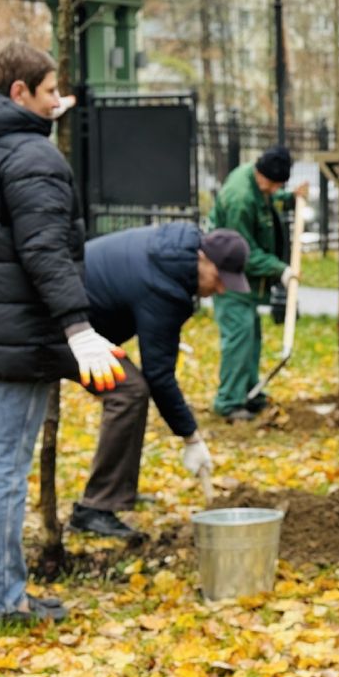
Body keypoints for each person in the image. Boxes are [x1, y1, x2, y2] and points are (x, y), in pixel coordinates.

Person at [0, 40, 127, 627]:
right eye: (50, 92)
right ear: (20, 92)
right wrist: (79, 327)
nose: (59, 102)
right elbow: (45, 251)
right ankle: (3, 601)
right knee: (1, 469)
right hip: (21, 333)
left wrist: (44, 115)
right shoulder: (32, 158)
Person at [66, 226, 248, 539]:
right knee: (130, 390)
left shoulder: (174, 256)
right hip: (61, 324)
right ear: (203, 259)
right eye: (219, 279)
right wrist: (190, 437)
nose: (220, 290)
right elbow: (159, 375)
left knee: (134, 388)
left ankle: (117, 490)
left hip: (82, 319)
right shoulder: (165, 286)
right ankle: (95, 507)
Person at [208, 146, 307, 419]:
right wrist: (280, 270)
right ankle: (229, 401)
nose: (274, 191)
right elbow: (242, 250)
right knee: (239, 335)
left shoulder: (258, 183)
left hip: (244, 279)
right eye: (273, 185)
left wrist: (289, 199)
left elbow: (268, 201)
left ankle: (249, 392)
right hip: (226, 276)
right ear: (261, 174)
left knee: (250, 334)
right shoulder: (240, 198)